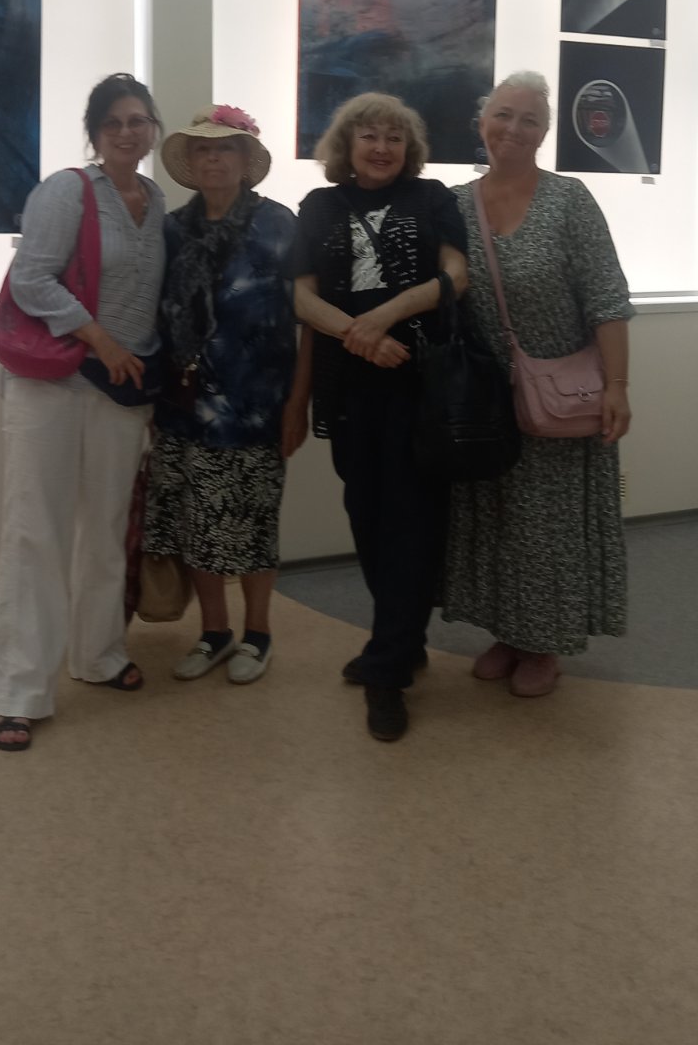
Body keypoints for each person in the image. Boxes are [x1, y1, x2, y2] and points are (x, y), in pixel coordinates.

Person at [0, 72, 165, 751]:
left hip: (121, 391)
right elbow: (32, 277)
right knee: (37, 532)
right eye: (113, 122)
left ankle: (99, 654)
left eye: (137, 120)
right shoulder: (67, 191)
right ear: (94, 133)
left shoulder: (157, 200)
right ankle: (16, 691)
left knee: (107, 529)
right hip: (54, 384)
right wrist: (99, 340)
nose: (126, 132)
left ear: (153, 129)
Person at [442, 72, 632, 697]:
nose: (513, 129)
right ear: (482, 123)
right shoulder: (456, 205)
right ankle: (508, 631)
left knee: (548, 528)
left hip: (559, 398)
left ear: (545, 132)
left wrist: (617, 386)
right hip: (487, 402)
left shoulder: (569, 200)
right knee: (497, 518)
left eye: (529, 120)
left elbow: (607, 299)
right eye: (503, 114)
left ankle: (544, 644)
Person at [293, 92, 468, 743]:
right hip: (349, 387)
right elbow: (300, 295)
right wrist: (358, 334)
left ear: (409, 148)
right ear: (347, 144)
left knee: (414, 522)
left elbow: (457, 274)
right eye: (369, 135)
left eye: (394, 137)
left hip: (420, 383)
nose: (382, 147)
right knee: (366, 517)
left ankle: (388, 669)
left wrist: (384, 317)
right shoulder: (319, 206)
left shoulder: (433, 198)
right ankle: (405, 639)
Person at [142, 105, 311, 685]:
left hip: (256, 408)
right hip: (182, 407)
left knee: (252, 525)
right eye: (203, 149)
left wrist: (298, 404)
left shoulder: (279, 225)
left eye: (225, 149)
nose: (213, 158)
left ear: (245, 161)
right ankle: (214, 632)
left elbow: (308, 321)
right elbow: (159, 318)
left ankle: (258, 633)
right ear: (190, 162)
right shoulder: (172, 229)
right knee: (193, 524)